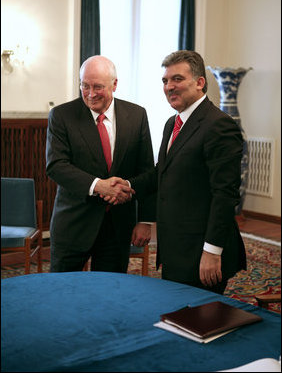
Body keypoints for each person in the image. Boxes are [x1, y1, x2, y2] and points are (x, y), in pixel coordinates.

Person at [110, 50, 246, 294]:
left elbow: (224, 196)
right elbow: (161, 173)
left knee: (201, 322)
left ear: (199, 82)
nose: (169, 86)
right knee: (177, 317)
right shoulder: (172, 124)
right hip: (175, 246)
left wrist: (212, 252)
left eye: (177, 79)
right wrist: (127, 185)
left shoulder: (219, 125)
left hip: (202, 249)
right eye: (165, 81)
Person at [46, 55, 155, 273]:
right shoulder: (61, 115)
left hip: (117, 227)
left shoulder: (137, 115)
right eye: (84, 85)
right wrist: (99, 185)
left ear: (115, 84)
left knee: (110, 294)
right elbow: (56, 166)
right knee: (64, 294)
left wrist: (145, 220)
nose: (90, 93)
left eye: (98, 87)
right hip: (73, 224)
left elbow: (147, 171)